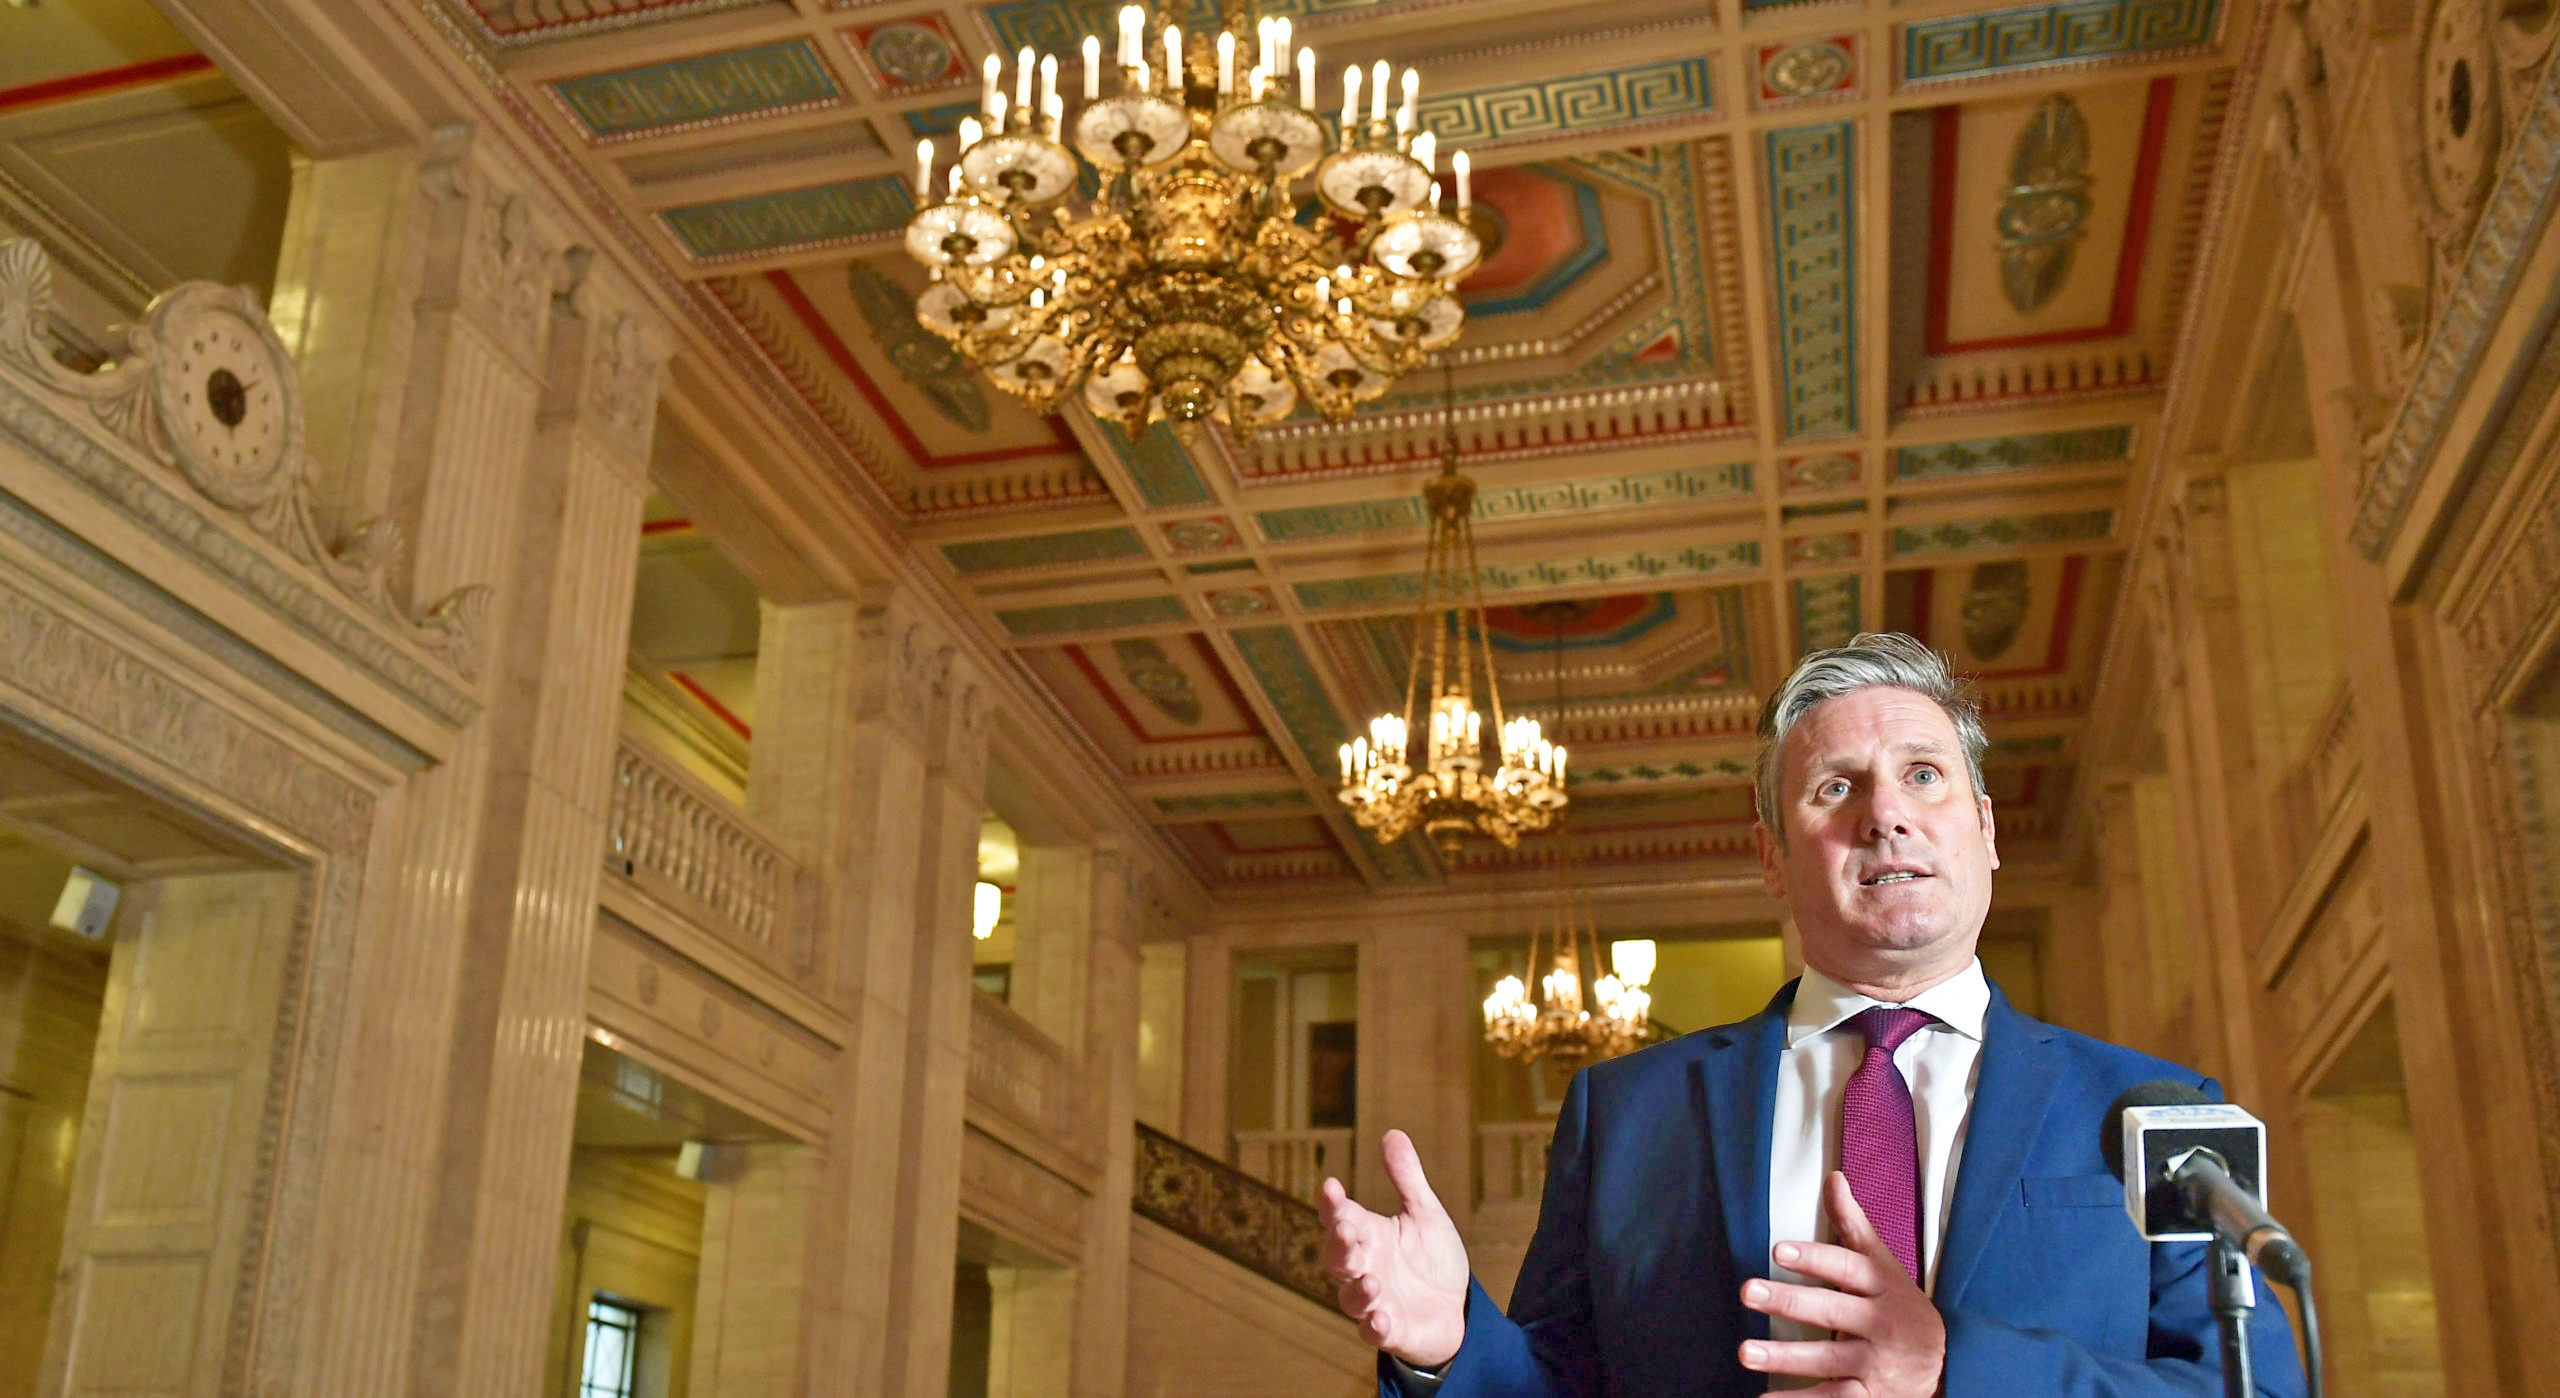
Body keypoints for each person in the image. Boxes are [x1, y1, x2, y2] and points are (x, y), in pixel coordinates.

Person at [1319, 633, 2306, 1397]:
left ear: (1986, 828)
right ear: (1771, 861)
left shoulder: (2158, 1111)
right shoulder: (1625, 1113)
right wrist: (1450, 1341)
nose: (1885, 814)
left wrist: (1950, 1369)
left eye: (1924, 775)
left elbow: (2253, 1386)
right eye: (1834, 789)